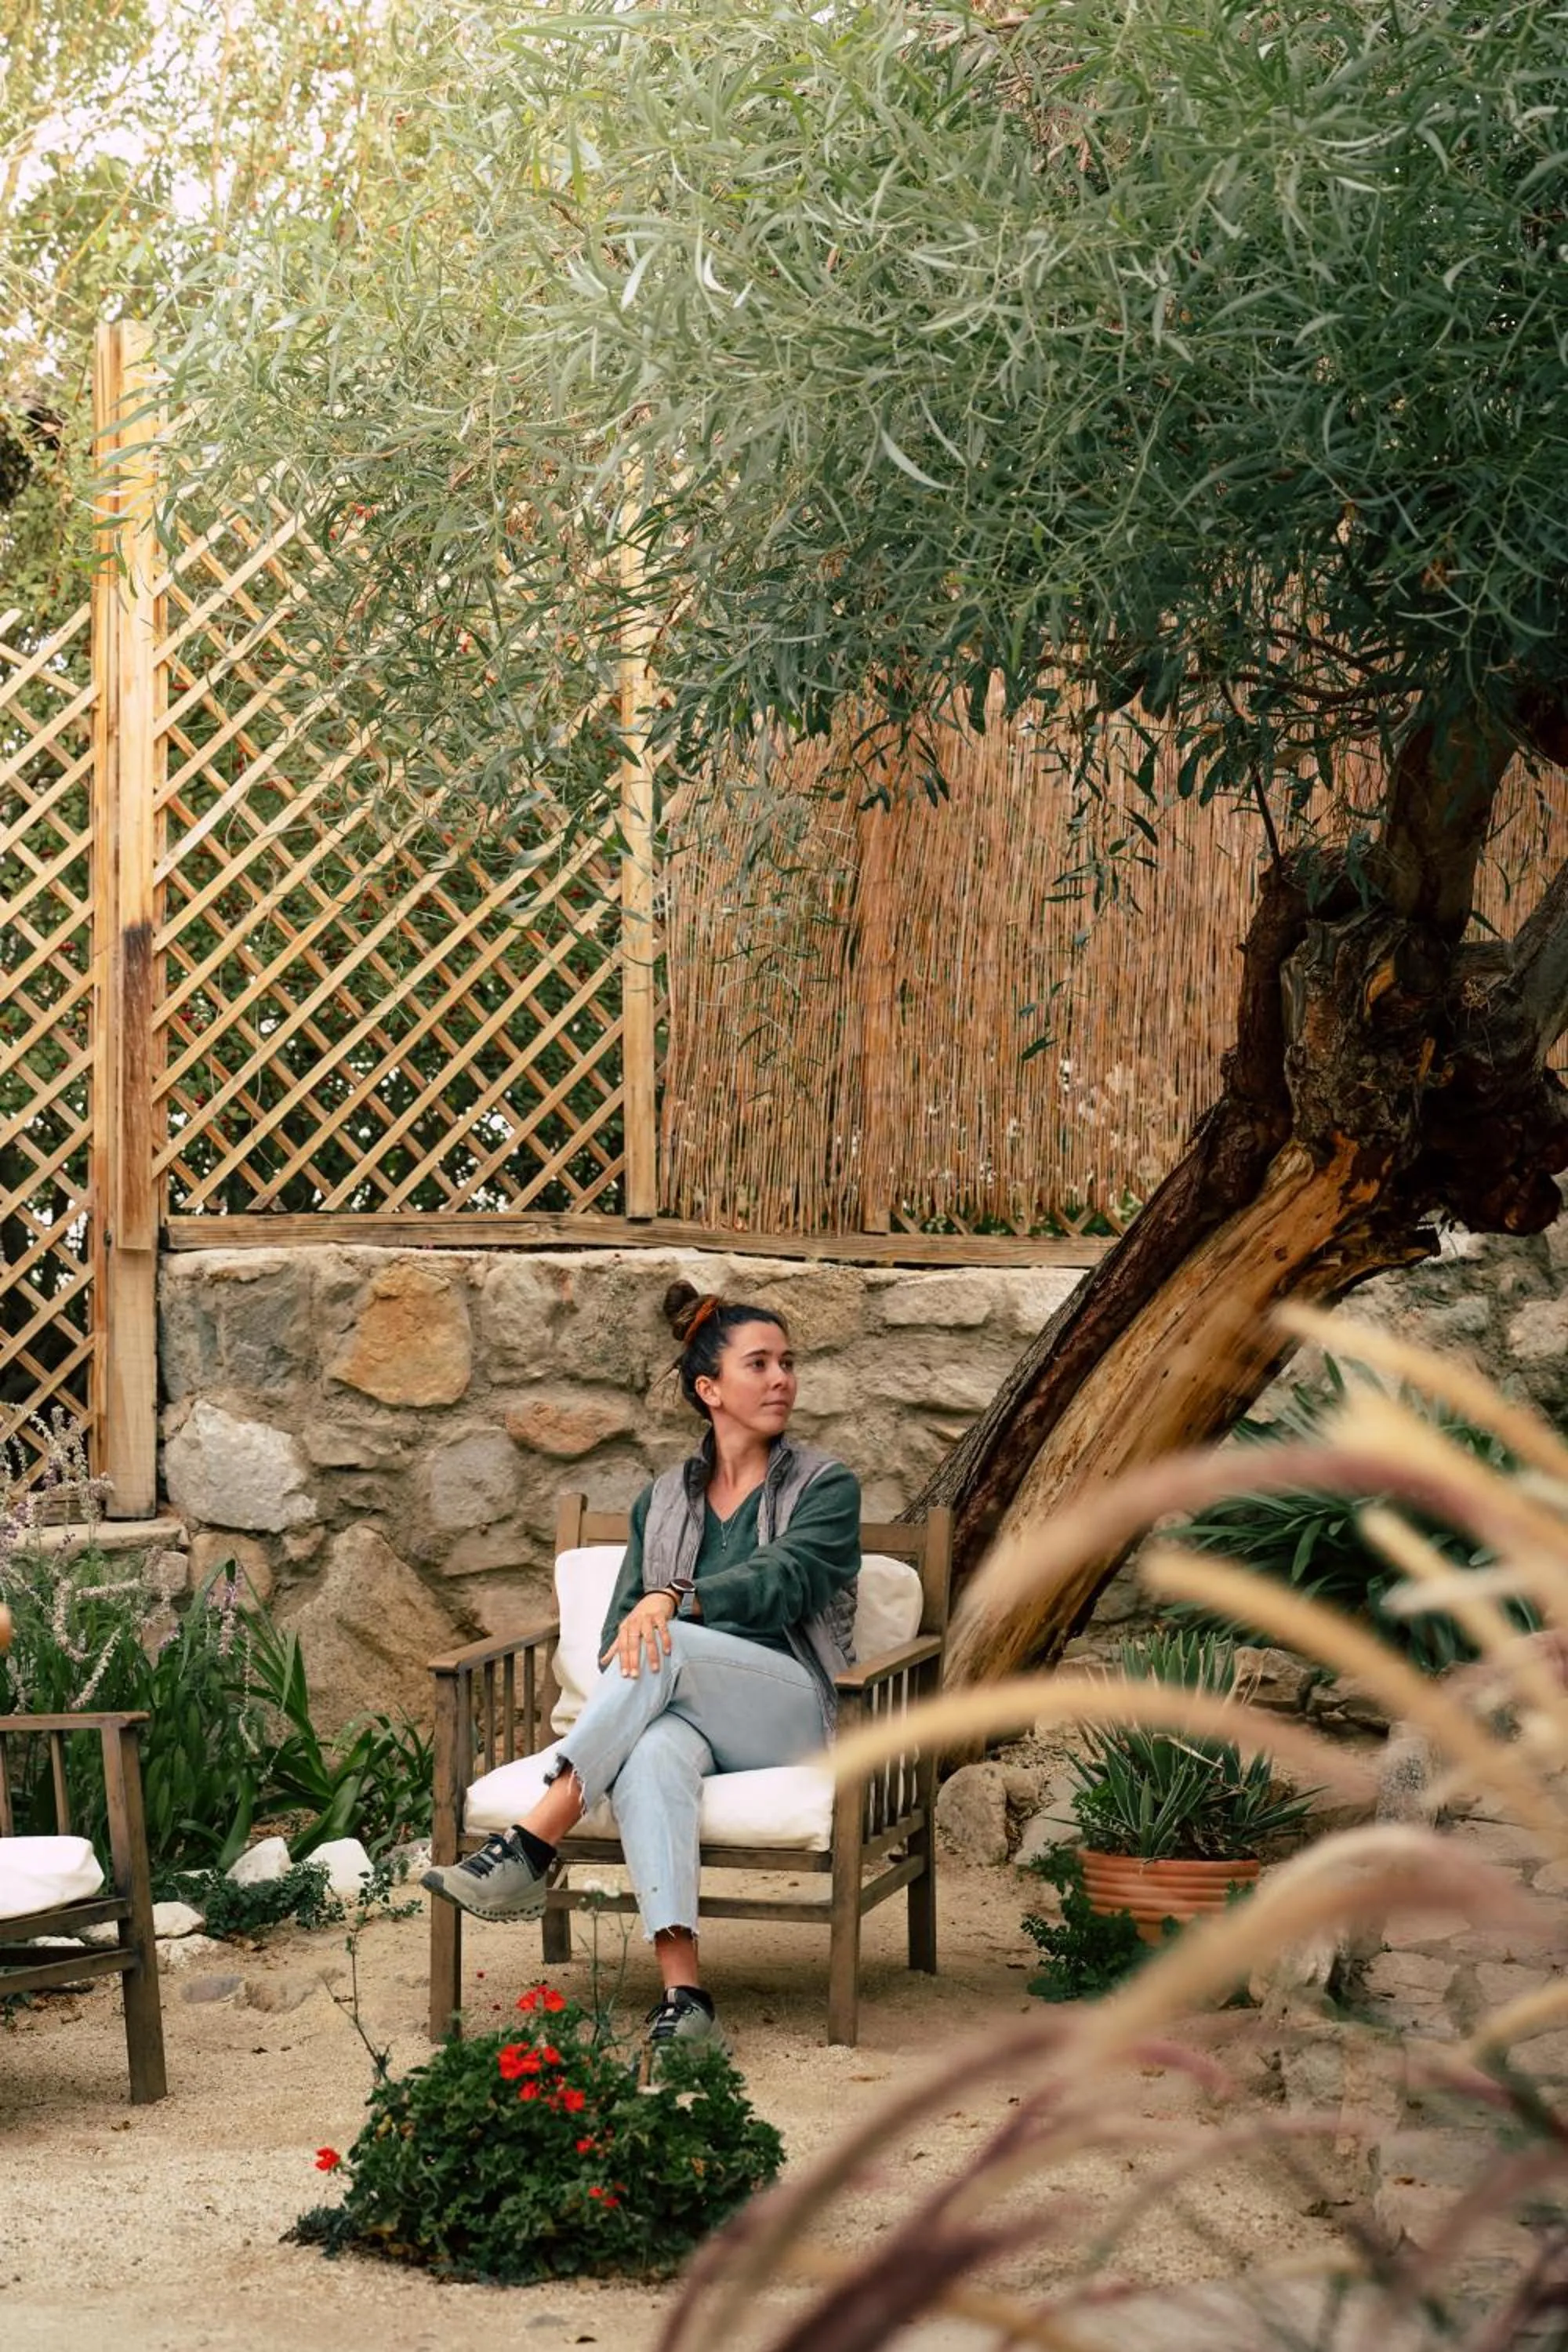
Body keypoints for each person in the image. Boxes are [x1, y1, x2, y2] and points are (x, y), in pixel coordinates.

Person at [423, 1280, 862, 2052]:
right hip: (686, 1710)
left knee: (669, 1640)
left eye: (786, 1363)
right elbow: (614, 1643)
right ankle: (684, 1997)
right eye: (758, 1364)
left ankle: (532, 1840)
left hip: (790, 1710)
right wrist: (656, 1619)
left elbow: (783, 1581)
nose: (781, 1379)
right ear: (708, 1388)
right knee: (652, 1752)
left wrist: (674, 1600)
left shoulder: (824, 1488)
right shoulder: (660, 1501)